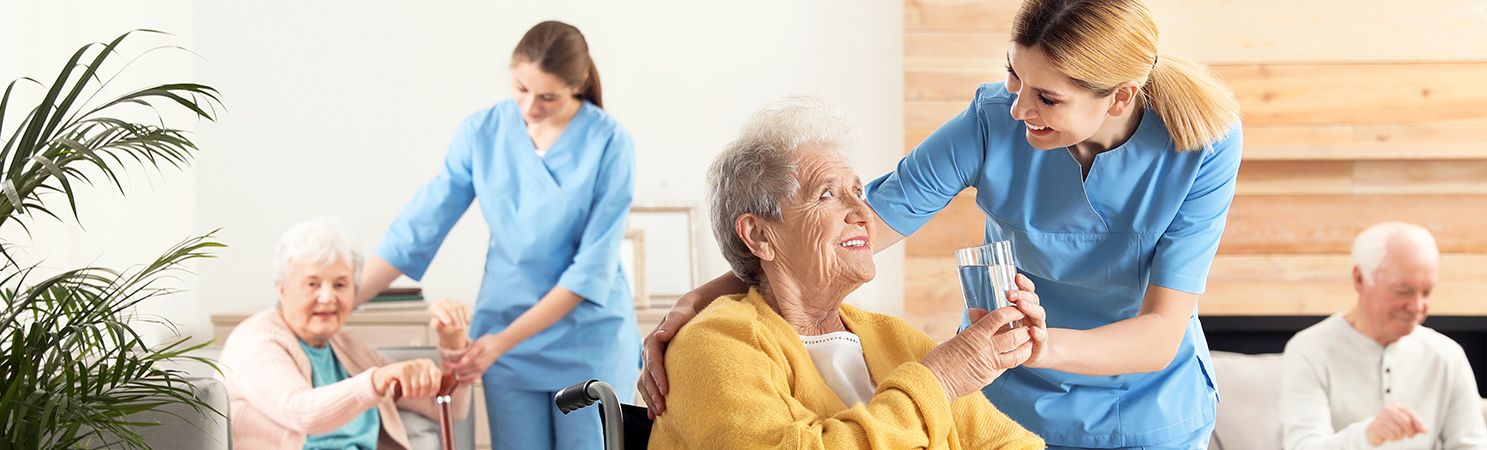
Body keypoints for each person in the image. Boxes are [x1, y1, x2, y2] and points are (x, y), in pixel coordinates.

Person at [644, 1, 1242, 447]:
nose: (1018, 107)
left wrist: (1032, 345)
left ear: (1118, 98)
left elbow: (1162, 331)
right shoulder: (994, 120)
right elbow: (859, 226)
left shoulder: (1200, 144)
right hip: (1008, 388)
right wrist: (703, 297)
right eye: (1013, 75)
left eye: (1046, 97)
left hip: (1140, 403)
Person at [648, 97, 1045, 449]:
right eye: (826, 195)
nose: (862, 214)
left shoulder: (892, 337)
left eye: (858, 192)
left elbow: (1011, 443)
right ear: (759, 234)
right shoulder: (715, 344)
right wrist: (937, 382)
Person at [355, 20, 639, 450]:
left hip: (586, 341)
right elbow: (419, 227)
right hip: (506, 340)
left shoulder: (610, 143)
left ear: (578, 83)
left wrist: (498, 343)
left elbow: (590, 271)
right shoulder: (482, 133)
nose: (529, 106)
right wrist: (343, 302)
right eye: (521, 88)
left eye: (547, 96)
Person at [223, 217, 473, 449]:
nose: (327, 297)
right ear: (283, 290)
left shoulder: (346, 345)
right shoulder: (256, 341)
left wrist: (453, 343)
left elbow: (451, 408)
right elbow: (302, 411)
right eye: (312, 284)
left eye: (340, 284)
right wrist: (376, 381)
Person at [1279, 222, 1487, 450]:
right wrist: (1368, 435)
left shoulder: (1446, 355)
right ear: (1359, 279)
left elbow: (1473, 445)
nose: (1417, 306)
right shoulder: (1309, 349)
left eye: (1427, 292)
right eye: (1403, 291)